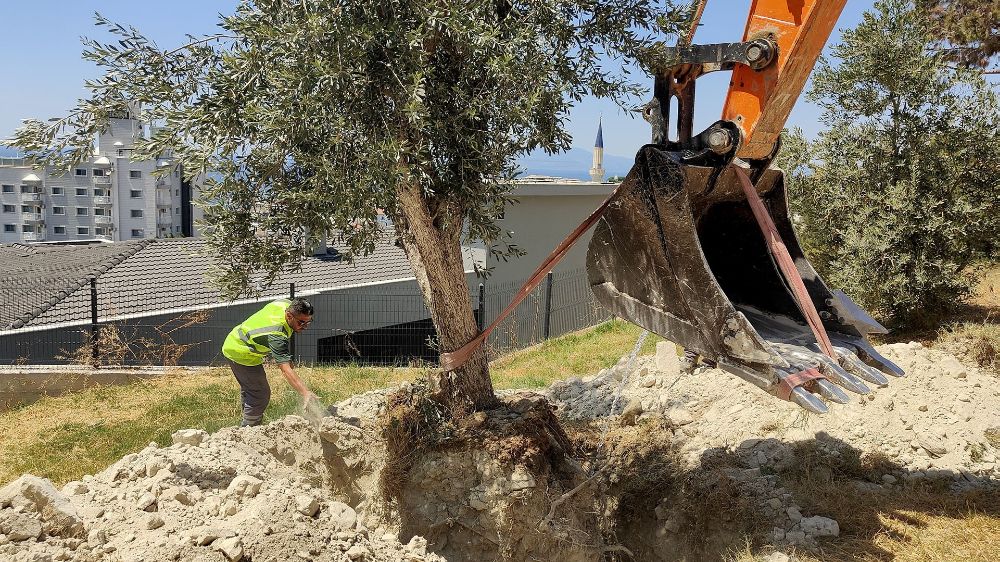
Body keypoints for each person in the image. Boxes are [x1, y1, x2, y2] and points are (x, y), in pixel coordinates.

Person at [222, 297, 317, 426]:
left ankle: (248, 421)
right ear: (289, 316)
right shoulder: (276, 334)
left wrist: (285, 357)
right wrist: (305, 392)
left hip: (239, 337)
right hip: (240, 351)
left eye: (309, 322)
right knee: (259, 393)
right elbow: (285, 369)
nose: (305, 326)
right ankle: (249, 429)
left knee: (251, 388)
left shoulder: (284, 304)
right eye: (301, 322)